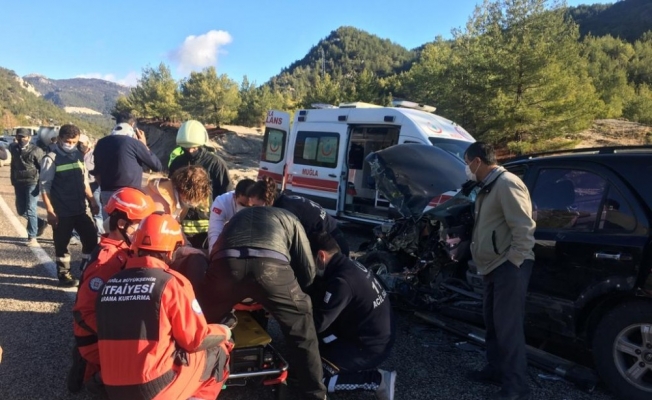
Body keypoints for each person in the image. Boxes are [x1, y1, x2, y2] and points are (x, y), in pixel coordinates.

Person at [95, 213, 233, 400]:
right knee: (218, 352)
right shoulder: (171, 284)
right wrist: (224, 331)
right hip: (154, 388)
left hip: (112, 387)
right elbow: (195, 340)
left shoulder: (109, 284)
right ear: (171, 252)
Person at [201, 206, 327, 400]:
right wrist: (289, 297)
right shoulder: (291, 217)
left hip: (226, 265)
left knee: (200, 324)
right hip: (271, 270)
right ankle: (315, 394)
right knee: (302, 329)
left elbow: (215, 252)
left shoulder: (237, 217)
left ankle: (191, 380)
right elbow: (307, 270)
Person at [463, 142, 536, 400]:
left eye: (467, 162)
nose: (467, 168)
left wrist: (514, 260)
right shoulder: (488, 186)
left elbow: (524, 228)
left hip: (509, 267)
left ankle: (516, 389)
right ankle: (496, 370)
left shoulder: (507, 183)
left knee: (508, 328)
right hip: (493, 266)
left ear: (478, 161)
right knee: (493, 323)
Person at [68, 187, 156, 393]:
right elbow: (84, 311)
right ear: (122, 224)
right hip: (94, 338)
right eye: (140, 225)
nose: (144, 230)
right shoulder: (107, 261)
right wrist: (120, 337)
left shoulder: (123, 250)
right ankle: (98, 378)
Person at [310, 232, 396, 400]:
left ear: (321, 255)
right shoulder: (346, 264)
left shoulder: (342, 281)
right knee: (313, 355)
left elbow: (319, 323)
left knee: (314, 379)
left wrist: (288, 318)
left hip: (369, 347)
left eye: (309, 260)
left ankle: (377, 380)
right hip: (370, 334)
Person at [40, 124, 100, 286]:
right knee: (62, 244)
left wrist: (92, 201)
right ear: (59, 139)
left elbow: (84, 181)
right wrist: (50, 211)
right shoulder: (50, 159)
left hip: (80, 209)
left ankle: (86, 267)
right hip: (62, 212)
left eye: (74, 141)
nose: (70, 144)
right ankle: (64, 274)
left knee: (91, 238)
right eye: (67, 141)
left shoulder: (78, 156)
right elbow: (44, 187)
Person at [169, 120, 233, 248]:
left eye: (193, 147)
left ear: (201, 144)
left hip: (207, 232)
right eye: (186, 147)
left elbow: (227, 195)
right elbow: (171, 193)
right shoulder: (177, 163)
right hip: (181, 230)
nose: (190, 150)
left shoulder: (216, 164)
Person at [248, 176, 350, 256]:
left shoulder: (284, 211)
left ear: (266, 199)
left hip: (334, 246)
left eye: (255, 206)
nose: (254, 210)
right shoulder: (286, 200)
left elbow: (291, 245)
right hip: (334, 236)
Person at [92, 115, 163, 221]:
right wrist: (144, 145)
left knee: (110, 229)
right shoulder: (134, 143)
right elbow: (157, 166)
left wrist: (104, 191)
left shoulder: (101, 143)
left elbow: (97, 173)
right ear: (133, 125)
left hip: (107, 193)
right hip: (129, 195)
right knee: (130, 230)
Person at [143, 165, 212, 248]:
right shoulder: (161, 203)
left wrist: (187, 245)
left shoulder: (176, 196)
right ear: (186, 191)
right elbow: (154, 237)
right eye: (194, 199)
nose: (195, 205)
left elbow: (176, 225)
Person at [8, 127, 47, 246]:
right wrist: (13, 180)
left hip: (32, 182)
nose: (21, 139)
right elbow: (13, 165)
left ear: (29, 138)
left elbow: (43, 168)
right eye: (19, 137)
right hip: (19, 183)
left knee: (31, 209)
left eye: (23, 137)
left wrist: (42, 183)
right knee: (21, 211)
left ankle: (32, 237)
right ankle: (40, 223)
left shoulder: (36, 150)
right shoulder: (13, 148)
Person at [206, 178, 255, 251]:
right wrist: (213, 254)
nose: (245, 209)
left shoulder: (260, 205)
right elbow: (215, 231)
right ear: (234, 196)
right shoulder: (221, 203)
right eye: (242, 204)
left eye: (249, 206)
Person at [78, 134, 104, 235]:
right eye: (79, 143)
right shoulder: (76, 155)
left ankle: (100, 233)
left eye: (82, 143)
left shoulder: (95, 155)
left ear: (88, 143)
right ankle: (77, 234)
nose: (81, 145)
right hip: (79, 185)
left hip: (93, 185)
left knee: (96, 210)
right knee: (78, 211)